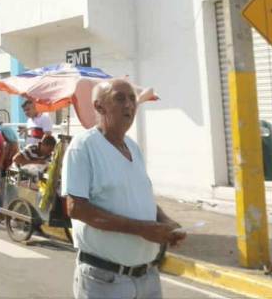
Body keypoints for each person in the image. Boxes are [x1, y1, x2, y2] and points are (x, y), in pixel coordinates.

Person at [62, 79, 186, 299]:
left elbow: (138, 196)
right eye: (120, 98)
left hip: (147, 275)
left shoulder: (133, 147)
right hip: (106, 279)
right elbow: (77, 208)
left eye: (132, 99)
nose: (129, 105)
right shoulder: (83, 146)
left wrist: (165, 221)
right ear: (99, 106)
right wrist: (142, 229)